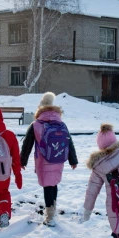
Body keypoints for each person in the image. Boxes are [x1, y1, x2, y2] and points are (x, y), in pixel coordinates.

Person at [20, 92, 78, 226]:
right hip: (58, 159)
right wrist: (73, 160)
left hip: (43, 161)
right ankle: (53, 209)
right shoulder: (61, 124)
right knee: (54, 184)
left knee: (47, 186)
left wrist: (22, 161)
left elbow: (27, 145)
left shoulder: (36, 125)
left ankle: (50, 216)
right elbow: (69, 143)